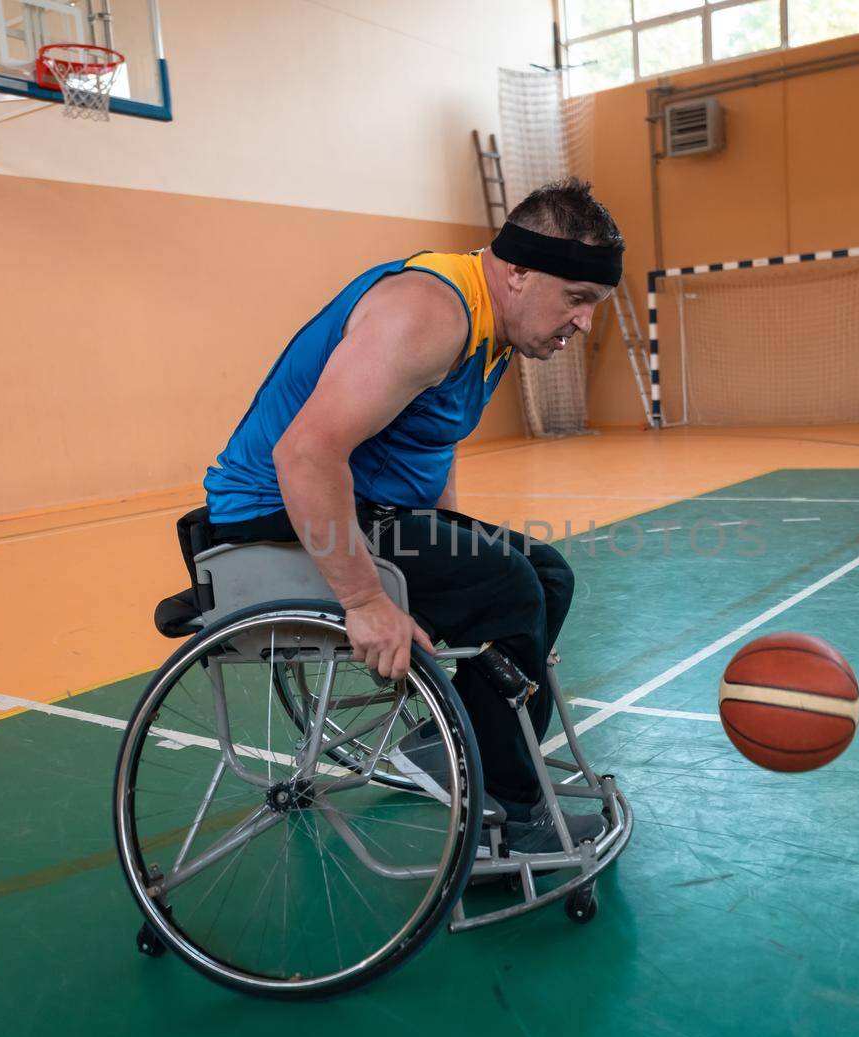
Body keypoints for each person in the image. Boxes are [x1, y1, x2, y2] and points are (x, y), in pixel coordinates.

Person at [203, 178, 624, 852]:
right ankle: (512, 815)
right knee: (510, 587)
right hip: (274, 514)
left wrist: (459, 546)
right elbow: (306, 456)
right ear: (517, 271)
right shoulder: (430, 313)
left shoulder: (492, 326)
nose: (584, 322)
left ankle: (443, 743)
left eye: (595, 305)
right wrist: (365, 599)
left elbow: (431, 441)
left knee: (544, 575)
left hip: (364, 505)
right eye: (577, 300)